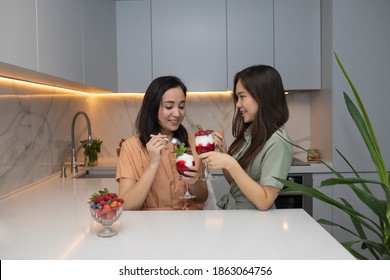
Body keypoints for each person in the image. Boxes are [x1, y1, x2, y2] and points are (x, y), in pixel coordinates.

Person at [198, 65, 293, 210]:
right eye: (237, 98)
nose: (238, 104)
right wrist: (225, 154)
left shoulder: (278, 141)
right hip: (238, 217)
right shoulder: (253, 133)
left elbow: (265, 201)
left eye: (242, 97)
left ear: (263, 96)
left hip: (254, 224)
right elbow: (237, 185)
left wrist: (230, 162)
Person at [116, 76, 208, 210]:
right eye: (169, 106)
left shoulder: (193, 141)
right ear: (152, 107)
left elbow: (203, 196)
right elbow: (127, 206)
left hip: (190, 224)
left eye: (181, 106)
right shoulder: (130, 147)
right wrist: (153, 165)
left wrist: (194, 183)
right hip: (152, 226)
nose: (177, 113)